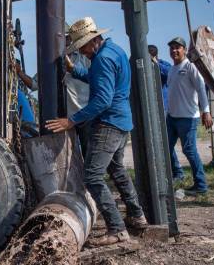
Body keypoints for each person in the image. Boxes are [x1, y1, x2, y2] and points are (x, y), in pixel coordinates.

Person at [46, 17, 147, 246]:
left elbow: (102, 99)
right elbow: (96, 80)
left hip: (108, 124)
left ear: (93, 40)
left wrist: (71, 121)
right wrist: (74, 70)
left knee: (92, 176)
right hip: (121, 122)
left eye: (81, 46)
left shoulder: (102, 59)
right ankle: (137, 215)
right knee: (118, 171)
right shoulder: (114, 51)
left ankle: (117, 228)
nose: (82, 51)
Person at [14, 25, 92, 156]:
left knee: (88, 154)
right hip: (64, 121)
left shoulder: (84, 59)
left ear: (70, 40)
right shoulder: (49, 64)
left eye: (66, 39)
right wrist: (19, 72)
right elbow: (34, 85)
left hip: (85, 117)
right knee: (67, 156)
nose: (64, 42)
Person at [166, 37, 213, 195]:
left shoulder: (191, 67)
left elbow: (201, 89)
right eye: (172, 48)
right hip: (172, 117)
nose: (174, 51)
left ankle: (201, 185)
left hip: (188, 118)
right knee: (166, 148)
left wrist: (205, 111)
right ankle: (175, 175)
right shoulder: (172, 69)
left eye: (177, 48)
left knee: (190, 150)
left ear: (184, 50)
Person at [149, 44, 182, 181]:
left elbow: (169, 75)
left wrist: (156, 64)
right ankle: (159, 172)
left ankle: (177, 172)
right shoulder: (144, 66)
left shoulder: (164, 65)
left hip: (164, 109)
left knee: (164, 141)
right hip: (151, 109)